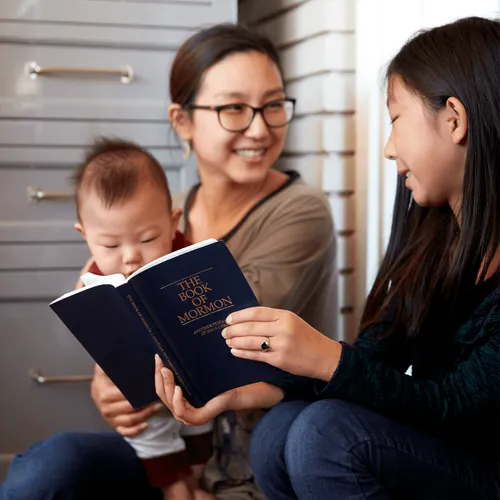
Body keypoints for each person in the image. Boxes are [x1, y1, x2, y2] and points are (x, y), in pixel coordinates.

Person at [154, 16, 500, 500]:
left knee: (327, 432)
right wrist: (244, 393)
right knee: (282, 429)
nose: (386, 148)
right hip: (440, 449)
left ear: (455, 120)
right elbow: (375, 360)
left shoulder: (300, 211)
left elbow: (455, 406)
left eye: (395, 120)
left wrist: (326, 357)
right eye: (234, 108)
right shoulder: (434, 237)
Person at [0, 24, 338, 500]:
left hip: (251, 447)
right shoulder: (154, 215)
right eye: (234, 108)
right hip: (164, 443)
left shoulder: (301, 210)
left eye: (273, 104)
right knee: (44, 470)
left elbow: (221, 341)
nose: (260, 128)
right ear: (182, 121)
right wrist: (110, 387)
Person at [78, 137, 217, 500]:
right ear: (85, 237)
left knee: (201, 445)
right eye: (109, 245)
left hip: (197, 386)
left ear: (173, 223)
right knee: (161, 455)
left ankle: (197, 482)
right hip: (143, 396)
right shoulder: (92, 280)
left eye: (148, 238)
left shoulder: (187, 257)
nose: (130, 257)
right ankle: (178, 490)